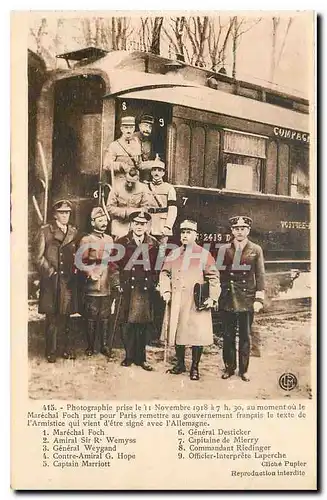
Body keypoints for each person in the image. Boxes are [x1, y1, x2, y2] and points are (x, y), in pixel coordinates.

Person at [159, 219, 220, 381]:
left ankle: (195, 367)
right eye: (183, 233)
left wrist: (213, 298)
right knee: (178, 332)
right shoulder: (173, 253)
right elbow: (164, 273)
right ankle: (180, 364)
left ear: (195, 235)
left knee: (196, 334)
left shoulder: (204, 254)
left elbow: (214, 277)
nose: (185, 236)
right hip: (177, 299)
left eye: (189, 233)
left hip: (195, 301)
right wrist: (165, 290)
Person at [218, 216, 265, 382]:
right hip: (228, 297)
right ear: (232, 231)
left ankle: (244, 370)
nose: (239, 231)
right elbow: (219, 273)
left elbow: (260, 275)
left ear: (248, 231)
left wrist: (259, 298)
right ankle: (229, 367)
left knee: (245, 335)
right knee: (228, 335)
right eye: (236, 228)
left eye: (243, 228)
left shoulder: (256, 249)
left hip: (246, 297)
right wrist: (217, 294)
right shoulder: (224, 249)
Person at [34, 199, 78, 363]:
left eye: (67, 212)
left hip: (67, 280)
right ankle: (51, 351)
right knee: (52, 317)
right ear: (55, 215)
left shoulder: (73, 231)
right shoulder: (45, 231)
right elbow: (37, 257)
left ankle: (65, 349)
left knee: (66, 316)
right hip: (52, 280)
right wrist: (51, 272)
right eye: (62, 212)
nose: (65, 215)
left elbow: (76, 253)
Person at [114, 210, 159, 371]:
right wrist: (117, 283)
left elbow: (157, 266)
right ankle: (129, 356)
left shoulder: (153, 243)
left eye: (143, 224)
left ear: (147, 225)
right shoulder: (121, 242)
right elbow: (113, 265)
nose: (139, 227)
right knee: (127, 323)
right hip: (127, 286)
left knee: (142, 323)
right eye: (137, 223)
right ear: (131, 224)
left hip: (145, 288)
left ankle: (141, 358)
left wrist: (154, 282)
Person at [77, 207, 119, 358]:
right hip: (93, 283)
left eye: (105, 221)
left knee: (105, 315)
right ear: (92, 222)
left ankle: (104, 346)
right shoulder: (86, 240)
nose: (103, 223)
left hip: (106, 282)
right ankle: (90, 346)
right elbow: (80, 262)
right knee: (91, 315)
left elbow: (113, 262)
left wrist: (115, 281)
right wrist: (90, 273)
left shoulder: (109, 239)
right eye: (100, 220)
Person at [106, 168, 150, 239]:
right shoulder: (117, 187)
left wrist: (133, 212)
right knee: (119, 245)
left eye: (132, 183)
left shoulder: (144, 188)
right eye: (128, 181)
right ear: (125, 178)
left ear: (137, 179)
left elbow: (146, 208)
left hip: (137, 223)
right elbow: (109, 207)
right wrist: (125, 212)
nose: (129, 184)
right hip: (119, 223)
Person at [103, 116, 142, 190]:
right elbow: (106, 165)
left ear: (134, 128)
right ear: (122, 129)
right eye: (126, 127)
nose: (129, 130)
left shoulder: (137, 144)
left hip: (134, 180)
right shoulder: (114, 145)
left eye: (131, 128)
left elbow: (139, 164)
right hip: (120, 182)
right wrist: (120, 165)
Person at [146, 155, 177, 246]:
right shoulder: (145, 187)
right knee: (146, 251)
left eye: (159, 170)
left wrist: (168, 226)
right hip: (148, 223)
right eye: (154, 170)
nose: (156, 173)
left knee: (161, 253)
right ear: (151, 172)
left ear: (163, 173)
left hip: (162, 224)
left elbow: (172, 209)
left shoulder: (169, 188)